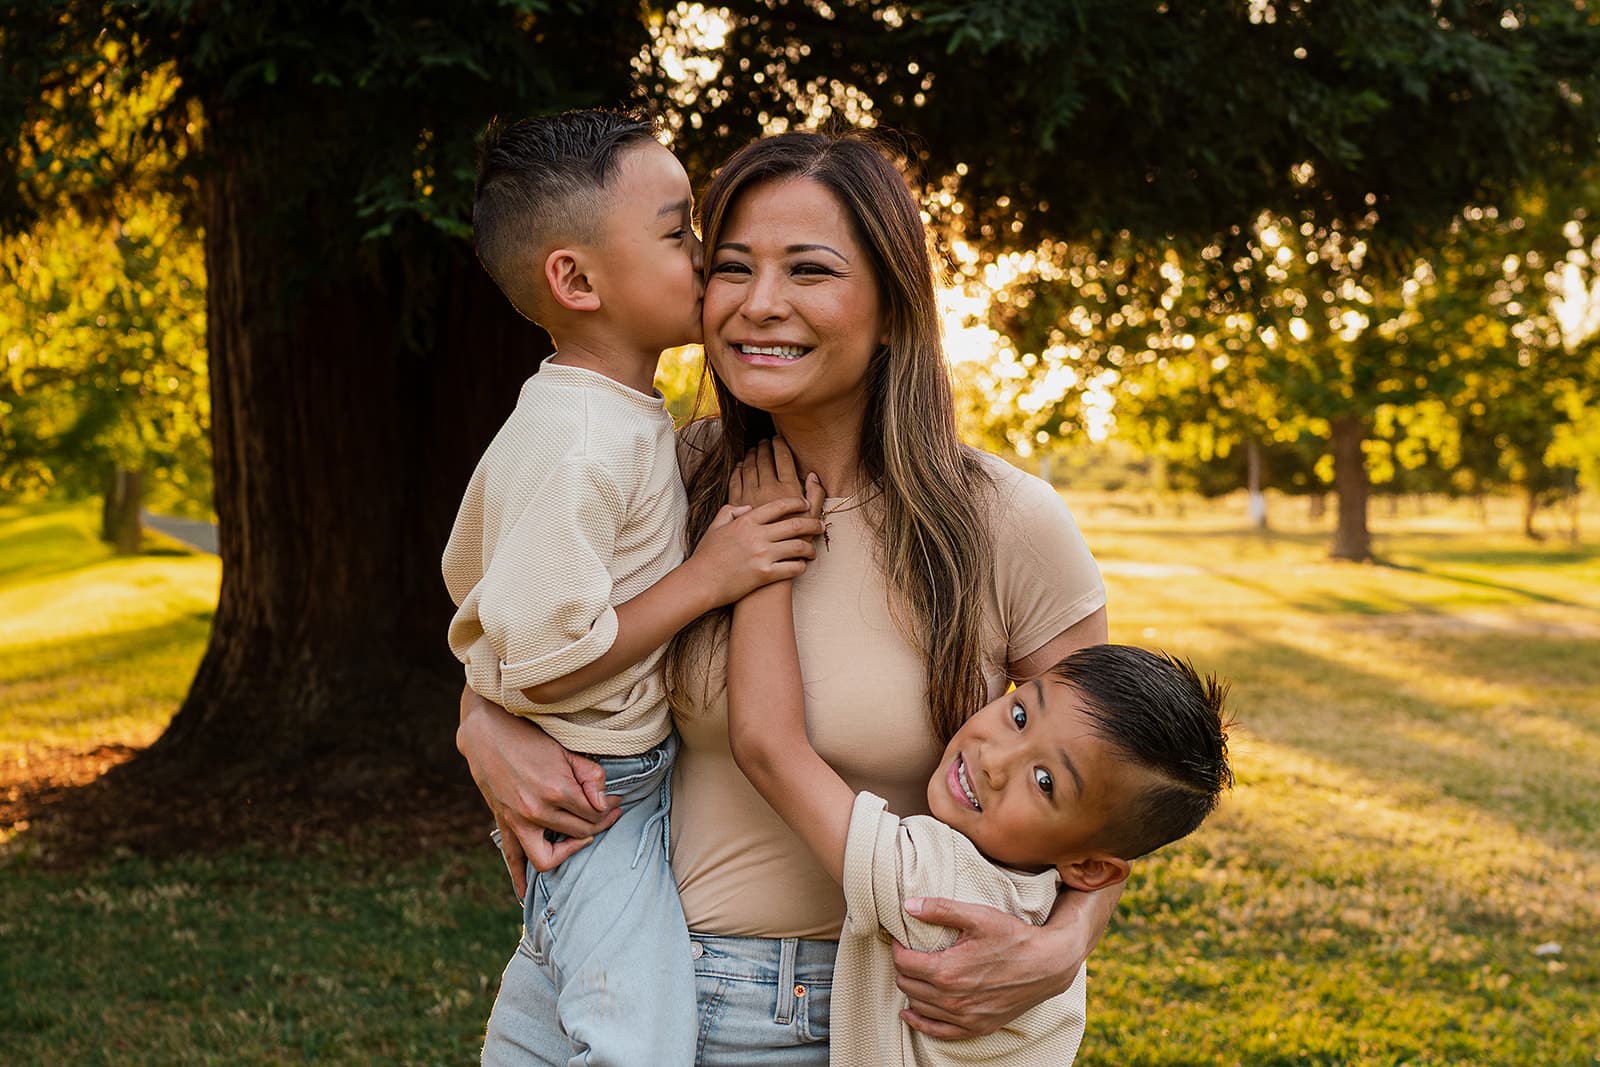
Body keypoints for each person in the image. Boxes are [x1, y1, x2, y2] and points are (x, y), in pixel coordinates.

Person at [456, 129, 1120, 1064]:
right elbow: (534, 626)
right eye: (731, 266)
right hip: (608, 985)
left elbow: (1111, 778)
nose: (760, 305)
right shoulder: (662, 475)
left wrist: (1065, 941)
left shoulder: (1008, 523)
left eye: (809, 270)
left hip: (830, 1019)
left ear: (893, 306)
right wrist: (479, 719)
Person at [441, 109, 825, 1066]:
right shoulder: (575, 440)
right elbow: (540, 659)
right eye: (677, 231)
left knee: (549, 1010)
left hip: (626, 781)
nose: (707, 257)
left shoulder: (621, 415)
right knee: (635, 1039)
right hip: (593, 789)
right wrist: (713, 576)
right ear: (575, 279)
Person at [723, 439, 1234, 1065]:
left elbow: (768, 745)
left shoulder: (941, 893)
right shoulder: (1037, 924)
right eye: (1019, 714)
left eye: (1045, 781)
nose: (995, 759)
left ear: (1091, 870)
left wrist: (764, 554)